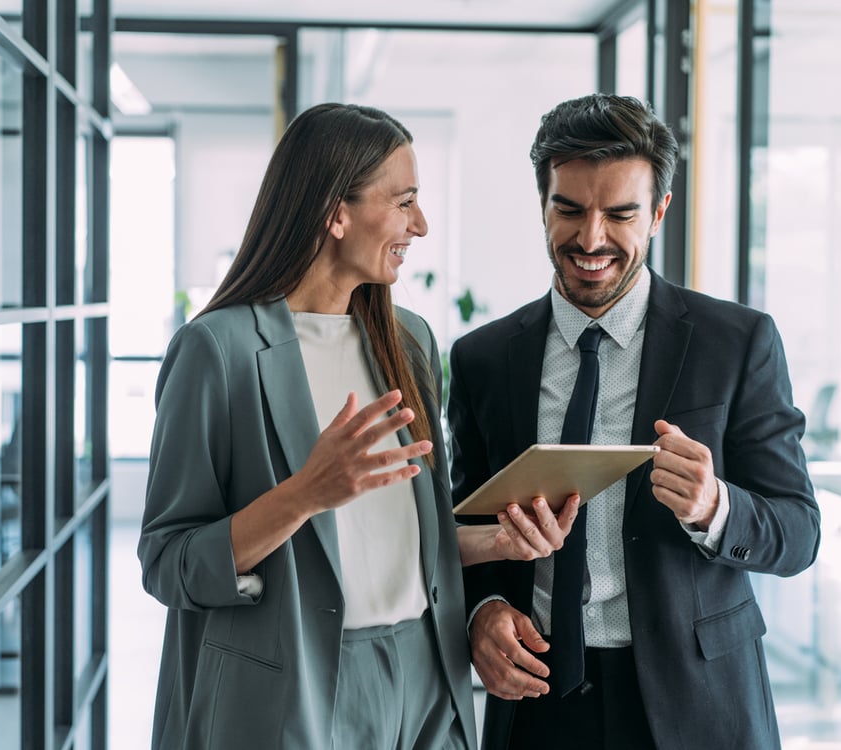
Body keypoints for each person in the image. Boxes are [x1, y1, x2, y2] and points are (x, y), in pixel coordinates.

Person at [137, 102, 579, 749]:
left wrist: (498, 544)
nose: (419, 225)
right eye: (403, 202)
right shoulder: (218, 350)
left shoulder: (408, 341)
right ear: (334, 213)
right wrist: (305, 493)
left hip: (425, 677)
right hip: (295, 688)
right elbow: (168, 563)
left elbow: (393, 537)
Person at [447, 93, 822, 750]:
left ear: (657, 213)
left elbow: (798, 532)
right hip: (536, 701)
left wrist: (714, 507)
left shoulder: (735, 343)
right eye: (568, 210)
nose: (590, 239)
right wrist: (481, 610)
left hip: (696, 704)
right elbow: (463, 525)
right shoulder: (481, 358)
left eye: (619, 214)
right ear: (542, 206)